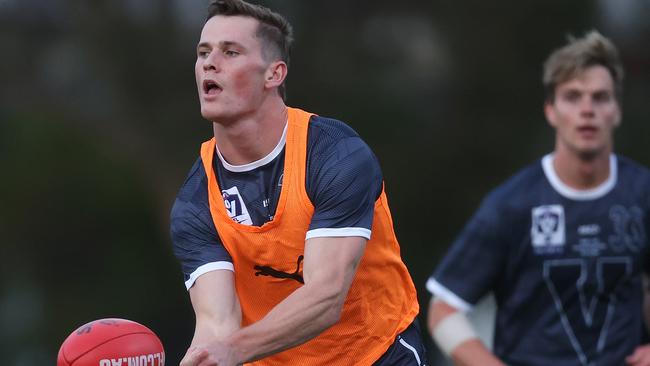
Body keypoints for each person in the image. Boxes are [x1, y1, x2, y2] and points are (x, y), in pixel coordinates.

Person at [169, 1, 426, 365]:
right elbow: (217, 322)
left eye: (230, 51)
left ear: (274, 74)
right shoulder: (196, 200)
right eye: (203, 52)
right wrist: (204, 358)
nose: (210, 63)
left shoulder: (335, 155)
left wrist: (233, 350)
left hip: (375, 352)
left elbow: (326, 297)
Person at [426, 30, 650, 366]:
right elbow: (443, 309)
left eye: (600, 97)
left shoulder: (643, 193)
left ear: (616, 110)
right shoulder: (512, 204)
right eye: (573, 97)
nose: (587, 110)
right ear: (551, 111)